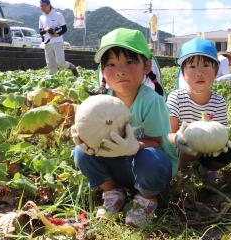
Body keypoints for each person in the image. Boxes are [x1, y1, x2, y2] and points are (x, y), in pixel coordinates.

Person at [71, 28, 175, 227]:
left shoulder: (151, 101)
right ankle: (112, 191)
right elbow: (91, 134)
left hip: (145, 165)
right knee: (81, 152)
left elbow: (157, 142)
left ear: (146, 65)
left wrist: (134, 147)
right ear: (103, 71)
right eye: (111, 64)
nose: (120, 70)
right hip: (116, 164)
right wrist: (84, 134)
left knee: (152, 159)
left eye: (129, 62)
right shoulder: (101, 101)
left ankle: (147, 199)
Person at [166, 38, 231, 183]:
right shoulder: (176, 97)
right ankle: (178, 169)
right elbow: (168, 134)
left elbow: (220, 130)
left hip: (206, 150)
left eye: (205, 66)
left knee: (228, 152)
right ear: (183, 73)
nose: (199, 73)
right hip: (180, 150)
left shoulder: (219, 101)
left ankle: (207, 169)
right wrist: (177, 139)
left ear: (216, 71)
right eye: (192, 67)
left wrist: (222, 140)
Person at [38, 0, 78, 77]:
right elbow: (41, 32)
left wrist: (57, 34)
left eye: (43, 5)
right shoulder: (41, 17)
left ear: (49, 4)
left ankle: (71, 66)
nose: (42, 7)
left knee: (60, 62)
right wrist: (46, 30)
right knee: (51, 65)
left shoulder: (58, 15)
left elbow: (64, 28)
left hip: (57, 41)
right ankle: (54, 81)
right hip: (47, 43)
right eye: (41, 6)